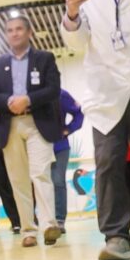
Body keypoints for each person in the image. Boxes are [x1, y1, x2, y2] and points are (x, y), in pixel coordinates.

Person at [62, 0, 130, 260]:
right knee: (108, 163)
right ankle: (116, 237)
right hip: (106, 92)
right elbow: (76, 42)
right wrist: (72, 13)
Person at [0, 15, 63, 248]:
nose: (15, 33)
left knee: (40, 173)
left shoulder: (44, 58)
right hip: (10, 125)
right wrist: (9, 101)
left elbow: (53, 89)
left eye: (19, 29)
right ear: (7, 35)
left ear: (29, 32)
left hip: (38, 122)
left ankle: (49, 224)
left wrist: (28, 99)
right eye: (10, 30)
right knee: (18, 179)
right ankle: (28, 229)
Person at [52, 88, 84, 233]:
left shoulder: (60, 94)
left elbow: (79, 113)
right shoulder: (30, 94)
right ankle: (45, 220)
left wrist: (68, 129)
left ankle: (59, 220)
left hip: (60, 146)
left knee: (58, 181)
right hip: (38, 148)